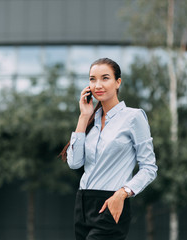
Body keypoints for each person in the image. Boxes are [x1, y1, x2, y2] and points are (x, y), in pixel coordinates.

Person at [59, 58, 158, 240]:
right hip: (83, 204)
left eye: (105, 78)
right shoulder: (91, 118)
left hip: (110, 203)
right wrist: (83, 116)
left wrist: (122, 193)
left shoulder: (133, 117)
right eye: (92, 79)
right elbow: (74, 163)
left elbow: (149, 168)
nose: (98, 85)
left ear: (118, 82)